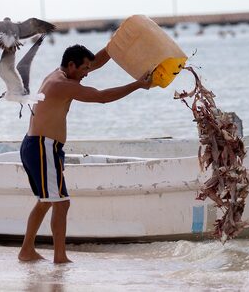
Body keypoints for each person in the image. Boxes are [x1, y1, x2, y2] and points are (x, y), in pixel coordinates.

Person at [18, 44, 151, 264]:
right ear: (71, 65)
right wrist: (138, 85)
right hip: (43, 147)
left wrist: (114, 45)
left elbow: (95, 62)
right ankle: (59, 257)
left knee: (46, 201)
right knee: (61, 203)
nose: (87, 73)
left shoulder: (62, 74)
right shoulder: (61, 84)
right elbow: (102, 97)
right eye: (84, 69)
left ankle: (26, 251)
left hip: (39, 146)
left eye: (88, 69)